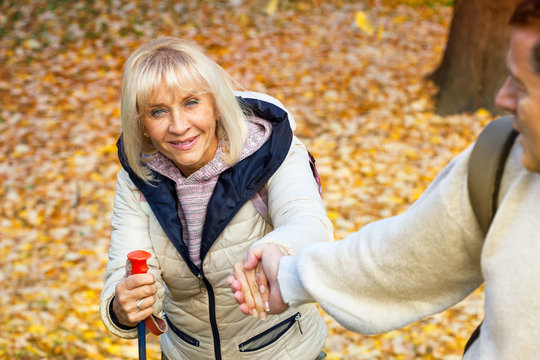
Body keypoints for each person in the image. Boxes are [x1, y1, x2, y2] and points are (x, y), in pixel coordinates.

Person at [229, 0, 540, 358]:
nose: (502, 98)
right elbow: (404, 259)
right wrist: (290, 276)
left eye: (521, 85)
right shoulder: (500, 164)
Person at [99, 37, 334, 360]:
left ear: (215, 102)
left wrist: (277, 249)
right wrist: (122, 306)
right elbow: (125, 269)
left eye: (191, 102)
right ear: (141, 121)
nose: (179, 126)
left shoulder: (271, 152)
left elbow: (309, 223)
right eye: (158, 111)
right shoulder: (138, 178)